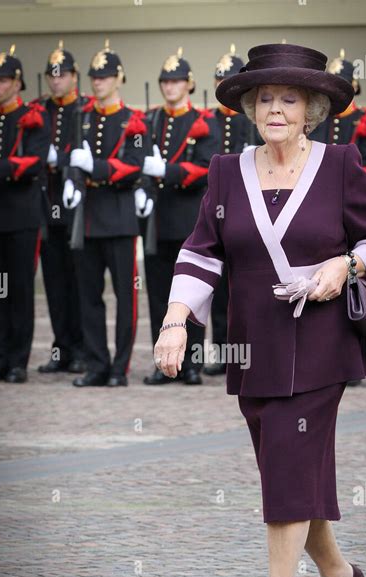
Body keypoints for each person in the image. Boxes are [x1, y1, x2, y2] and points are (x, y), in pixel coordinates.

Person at [153, 43, 366, 577]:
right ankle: (341, 576)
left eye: (289, 98)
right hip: (252, 346)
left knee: (289, 467)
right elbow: (201, 251)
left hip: (321, 348)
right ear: (248, 105)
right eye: (264, 97)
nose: (275, 108)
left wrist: (343, 266)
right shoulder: (226, 171)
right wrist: (176, 319)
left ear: (311, 107)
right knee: (288, 473)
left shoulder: (341, 164)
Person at [62, 40, 155, 387]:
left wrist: (96, 168)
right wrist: (72, 180)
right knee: (89, 296)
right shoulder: (82, 117)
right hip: (87, 218)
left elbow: (134, 167)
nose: (97, 82)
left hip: (118, 216)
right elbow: (73, 156)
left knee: (124, 297)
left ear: (118, 79)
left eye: (104, 76)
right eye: (94, 77)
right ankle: (96, 364)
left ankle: (119, 366)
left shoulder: (134, 120)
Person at [141, 48, 220, 386]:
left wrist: (168, 171)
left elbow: (205, 167)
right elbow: (140, 160)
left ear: (188, 84)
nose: (169, 87)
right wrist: (143, 186)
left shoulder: (202, 121)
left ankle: (191, 364)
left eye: (175, 81)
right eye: (165, 81)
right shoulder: (152, 119)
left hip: (188, 218)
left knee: (192, 293)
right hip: (157, 218)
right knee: (159, 293)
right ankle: (164, 362)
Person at [0, 45, 50, 384]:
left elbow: (35, 162)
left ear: (17, 83)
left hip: (22, 218)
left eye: (2, 80)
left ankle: (18, 361)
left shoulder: (31, 115)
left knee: (21, 290)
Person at [38, 41, 86, 375]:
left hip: (76, 207)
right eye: (51, 75)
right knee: (54, 282)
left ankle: (81, 349)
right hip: (46, 205)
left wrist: (65, 161)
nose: (56, 81)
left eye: (62, 75)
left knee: (79, 280)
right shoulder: (39, 111)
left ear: (73, 77)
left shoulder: (83, 110)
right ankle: (61, 348)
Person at [204, 45, 251, 377]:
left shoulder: (252, 121)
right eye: (220, 78)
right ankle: (222, 350)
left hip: (247, 215)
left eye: (229, 79)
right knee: (219, 291)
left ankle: (245, 351)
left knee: (245, 289)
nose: (224, 83)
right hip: (215, 214)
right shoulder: (207, 122)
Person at [310, 49, 366, 180]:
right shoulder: (317, 118)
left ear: (354, 85)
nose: (334, 90)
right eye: (330, 84)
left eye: (341, 84)